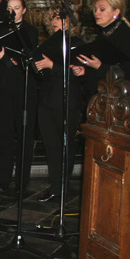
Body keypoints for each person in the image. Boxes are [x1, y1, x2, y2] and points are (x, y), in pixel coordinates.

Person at [0, 0, 39, 193]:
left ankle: (22, 179)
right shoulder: (0, 30)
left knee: (24, 134)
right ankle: (4, 178)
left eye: (17, 7)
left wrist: (6, 58)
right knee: (5, 134)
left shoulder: (30, 31)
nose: (13, 11)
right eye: (10, 8)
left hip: (23, 87)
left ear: (24, 10)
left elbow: (28, 59)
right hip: (3, 87)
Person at [35, 11, 84, 202]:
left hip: (66, 100)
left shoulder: (77, 43)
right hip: (46, 99)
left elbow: (77, 72)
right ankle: (54, 186)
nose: (57, 22)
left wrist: (51, 65)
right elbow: (41, 73)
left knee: (65, 145)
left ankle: (62, 187)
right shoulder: (48, 44)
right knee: (51, 146)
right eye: (54, 18)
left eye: (61, 18)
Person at [72, 0, 130, 96]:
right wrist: (84, 71)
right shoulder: (103, 35)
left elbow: (127, 71)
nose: (96, 13)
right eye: (95, 10)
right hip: (100, 93)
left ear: (116, 12)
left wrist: (99, 67)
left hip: (116, 95)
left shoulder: (127, 35)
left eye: (102, 9)